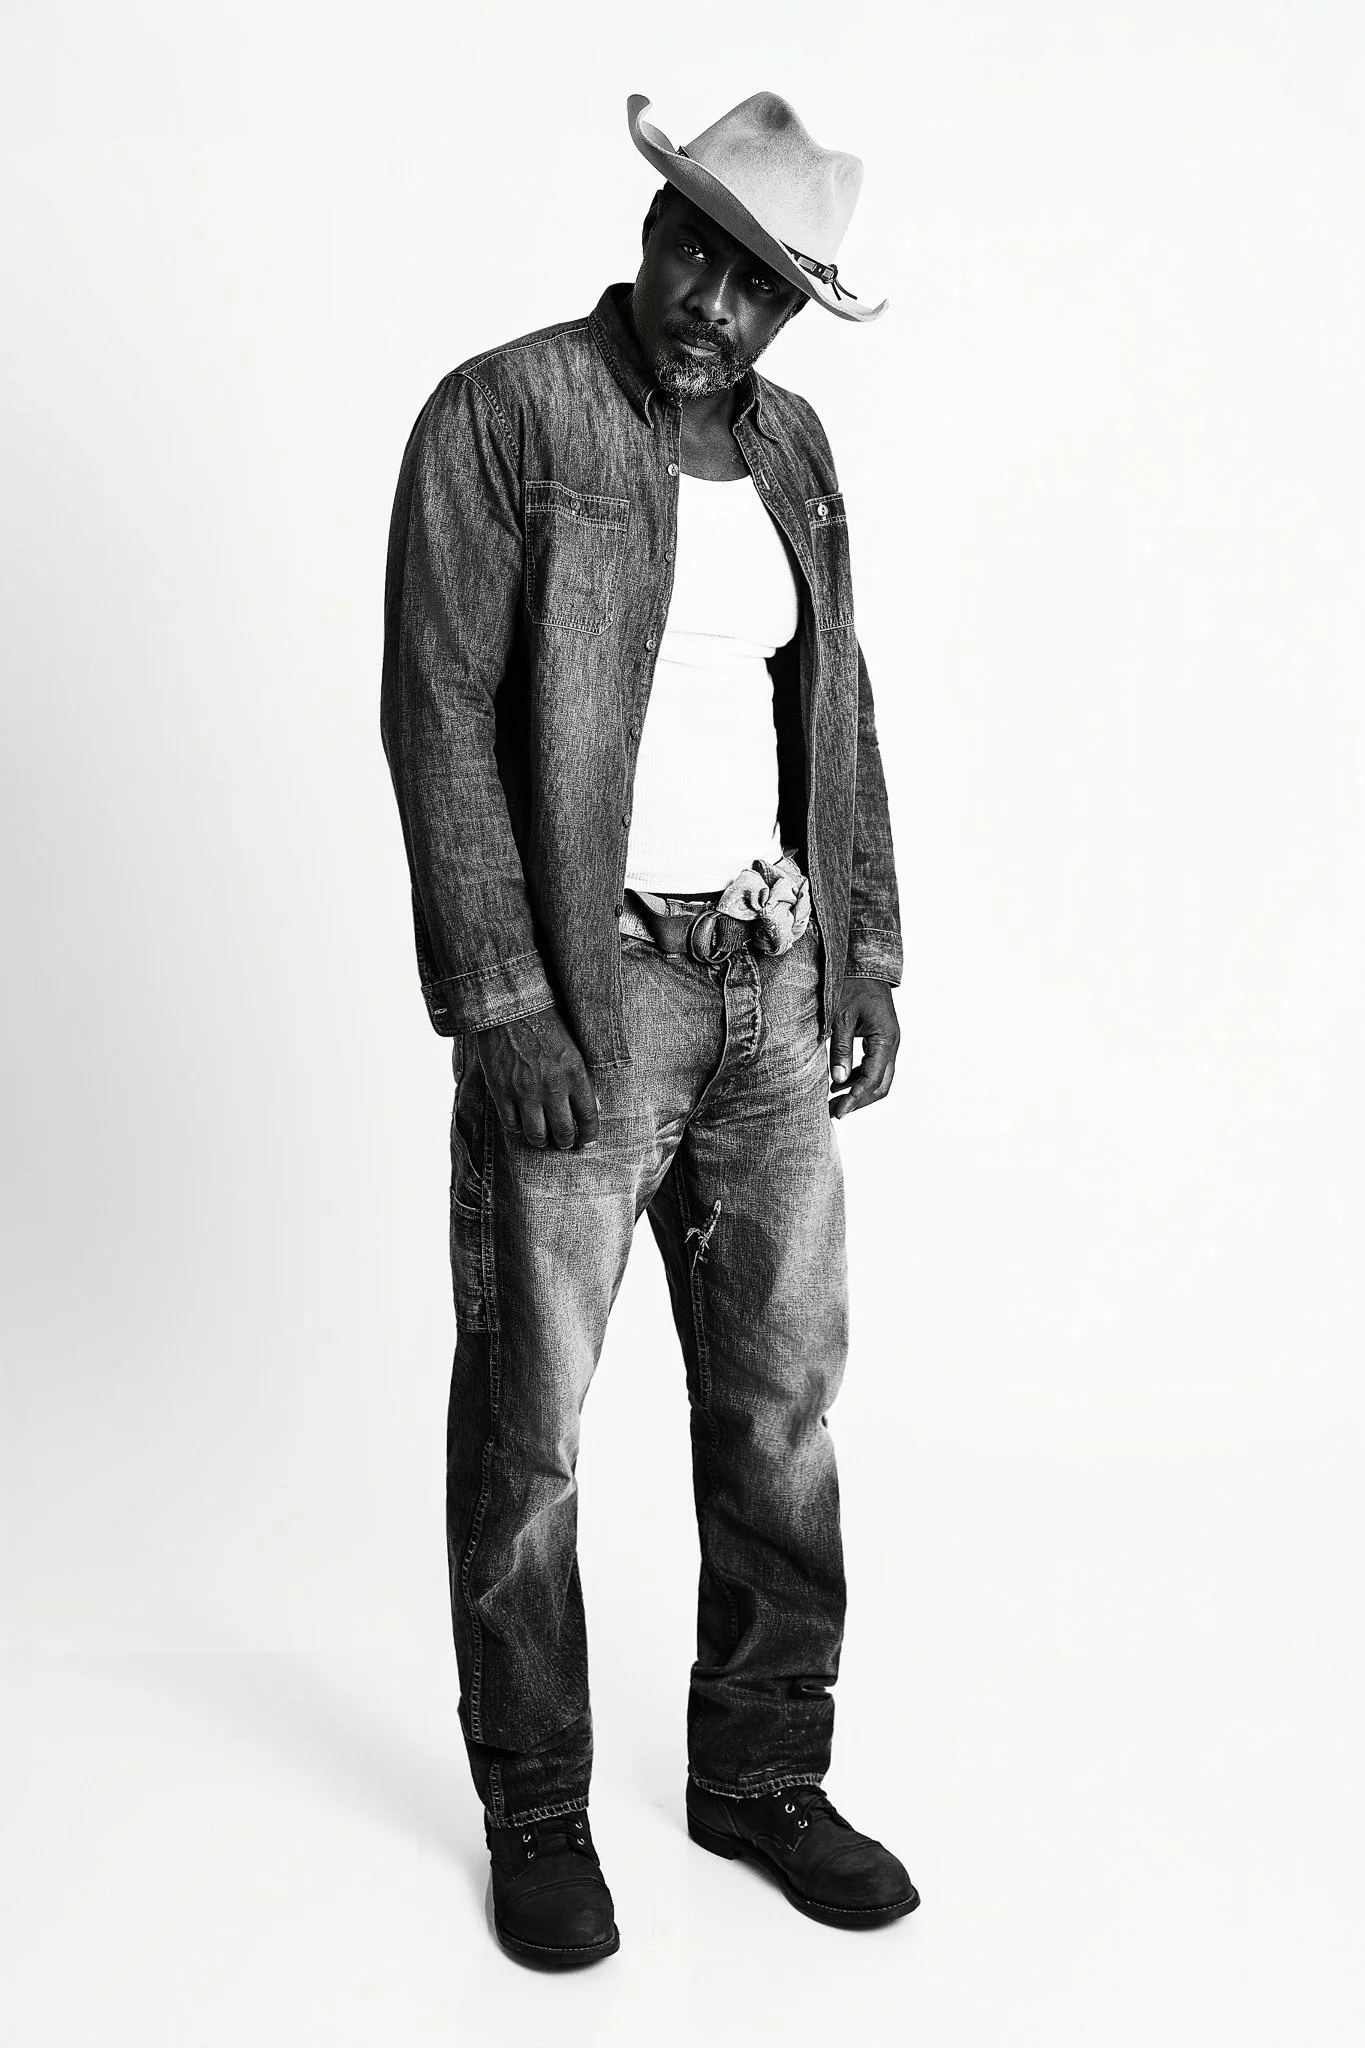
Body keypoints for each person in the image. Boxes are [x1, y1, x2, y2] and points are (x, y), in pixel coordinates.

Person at [381, 89, 919, 1967]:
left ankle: (760, 1770)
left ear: (787, 312)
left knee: (778, 1404)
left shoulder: (795, 451)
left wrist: (866, 949)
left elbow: (833, 707)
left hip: (770, 983)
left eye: (759, 286)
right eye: (698, 251)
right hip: (583, 993)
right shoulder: (506, 416)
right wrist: (504, 996)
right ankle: (535, 1803)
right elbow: (438, 711)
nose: (712, 306)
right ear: (655, 223)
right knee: (531, 1424)